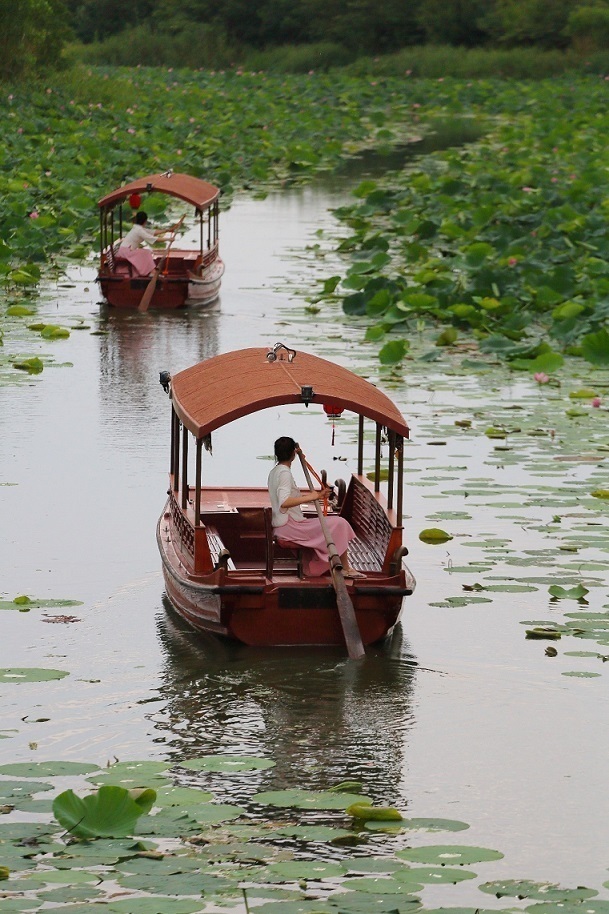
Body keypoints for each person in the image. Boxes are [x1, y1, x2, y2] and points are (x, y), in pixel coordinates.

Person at [268, 436, 363, 577]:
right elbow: (284, 502)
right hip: (289, 527)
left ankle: (343, 567)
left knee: (338, 523)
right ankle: (343, 569)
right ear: (293, 455)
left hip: (288, 524)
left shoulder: (275, 471)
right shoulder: (284, 474)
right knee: (340, 523)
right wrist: (314, 496)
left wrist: (318, 496)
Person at [116, 211, 169, 276]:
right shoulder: (139, 230)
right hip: (126, 251)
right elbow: (152, 238)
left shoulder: (137, 228)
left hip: (126, 250)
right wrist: (169, 239)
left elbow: (152, 232)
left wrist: (167, 230)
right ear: (145, 221)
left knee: (146, 253)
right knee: (146, 253)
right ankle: (152, 272)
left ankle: (152, 272)